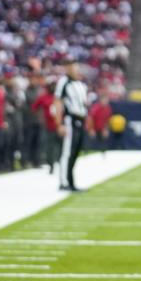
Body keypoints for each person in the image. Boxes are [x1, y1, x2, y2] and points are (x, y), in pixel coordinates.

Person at [55, 59, 89, 191]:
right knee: (68, 152)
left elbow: (82, 102)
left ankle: (71, 181)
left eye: (74, 66)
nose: (73, 69)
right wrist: (59, 123)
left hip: (80, 119)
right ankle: (64, 182)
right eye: (70, 67)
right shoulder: (64, 82)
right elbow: (58, 102)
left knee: (75, 152)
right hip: (70, 120)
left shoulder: (80, 84)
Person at [31, 78, 60, 173]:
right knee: (49, 146)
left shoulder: (59, 96)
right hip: (48, 125)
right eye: (51, 84)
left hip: (59, 125)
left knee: (59, 145)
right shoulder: (43, 96)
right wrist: (40, 117)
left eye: (54, 85)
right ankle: (50, 164)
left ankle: (59, 163)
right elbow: (34, 107)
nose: (53, 87)